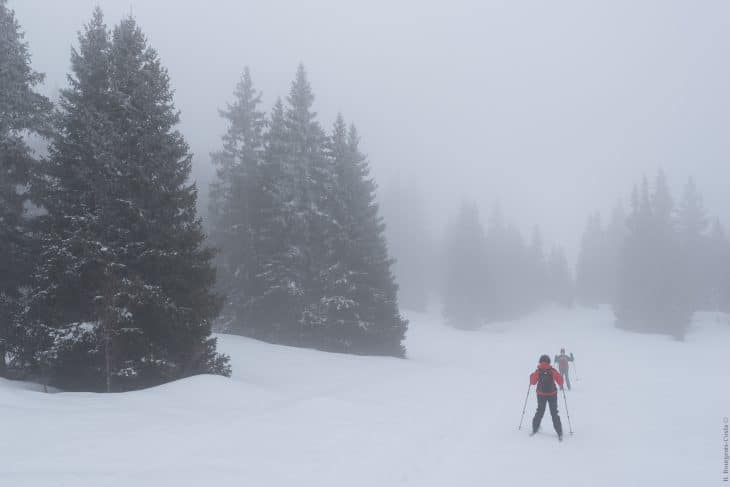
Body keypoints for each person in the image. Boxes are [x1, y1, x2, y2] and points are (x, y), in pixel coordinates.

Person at [529, 354, 564, 441]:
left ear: (540, 361)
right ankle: (559, 432)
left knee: (540, 411)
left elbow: (532, 382)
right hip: (552, 394)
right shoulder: (552, 371)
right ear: (549, 361)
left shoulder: (538, 371)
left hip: (541, 394)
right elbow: (561, 381)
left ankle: (535, 428)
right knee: (554, 413)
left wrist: (531, 375)